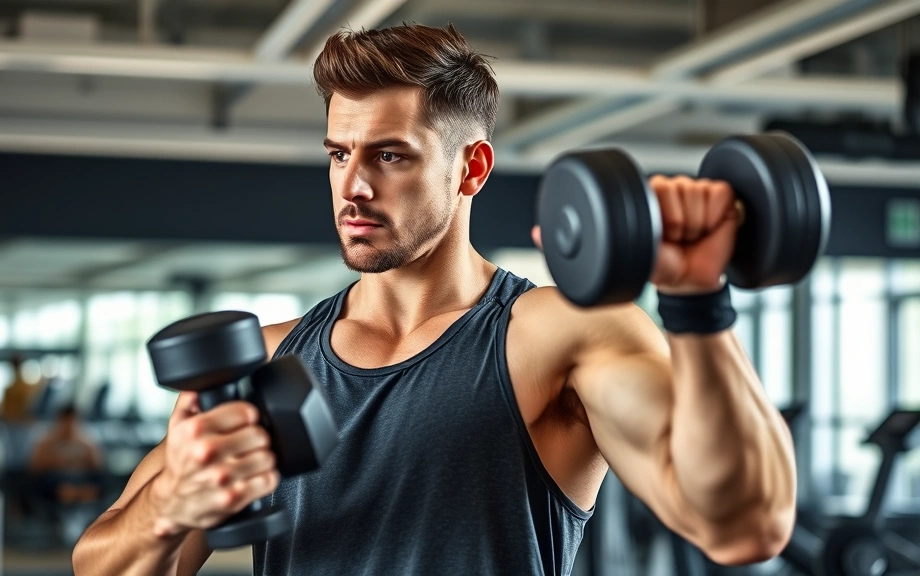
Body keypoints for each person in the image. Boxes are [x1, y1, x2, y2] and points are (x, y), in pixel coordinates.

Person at [72, 24, 797, 576]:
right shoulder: (265, 362)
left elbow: (744, 525)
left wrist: (697, 302)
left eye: (389, 155)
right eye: (339, 154)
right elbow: (101, 565)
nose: (353, 186)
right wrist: (170, 505)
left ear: (471, 168)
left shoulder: (556, 336)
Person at [29, 405, 105, 507]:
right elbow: (35, 468)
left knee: (101, 481)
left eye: (72, 422)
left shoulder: (86, 441)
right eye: (66, 422)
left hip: (80, 478)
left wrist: (83, 458)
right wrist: (55, 461)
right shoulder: (46, 441)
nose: (69, 426)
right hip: (56, 479)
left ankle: (80, 493)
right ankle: (70, 493)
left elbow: (98, 466)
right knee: (46, 483)